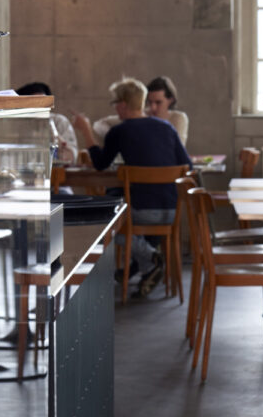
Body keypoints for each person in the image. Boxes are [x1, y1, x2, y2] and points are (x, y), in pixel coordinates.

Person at [72, 78, 191, 296]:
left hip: (142, 213)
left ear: (124, 105)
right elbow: (187, 166)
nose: (115, 107)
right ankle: (146, 264)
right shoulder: (167, 128)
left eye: (115, 103)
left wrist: (86, 130)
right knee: (119, 215)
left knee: (101, 226)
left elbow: (100, 164)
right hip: (172, 211)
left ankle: (151, 260)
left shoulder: (120, 131)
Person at [15, 81, 78, 163]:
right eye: (36, 104)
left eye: (44, 103)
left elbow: (71, 158)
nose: (41, 108)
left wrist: (54, 133)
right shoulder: (19, 124)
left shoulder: (59, 121)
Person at [145, 75, 189, 146]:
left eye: (158, 102)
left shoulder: (178, 118)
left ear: (171, 100)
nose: (153, 107)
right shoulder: (142, 116)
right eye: (150, 102)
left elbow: (178, 148)